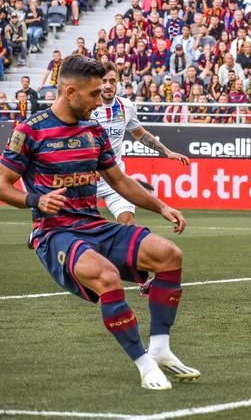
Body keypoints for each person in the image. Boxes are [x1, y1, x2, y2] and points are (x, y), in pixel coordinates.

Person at [0, 55, 199, 389]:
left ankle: (161, 349)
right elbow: (3, 184)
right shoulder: (30, 131)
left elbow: (119, 181)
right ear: (71, 92)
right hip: (55, 233)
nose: (100, 100)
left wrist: (161, 207)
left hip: (94, 225)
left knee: (169, 255)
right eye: (94, 94)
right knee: (107, 277)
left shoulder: (93, 130)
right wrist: (35, 200)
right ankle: (145, 365)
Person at [92, 62, 190, 225]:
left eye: (112, 81)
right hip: (87, 180)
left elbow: (141, 134)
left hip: (116, 179)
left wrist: (167, 152)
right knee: (75, 227)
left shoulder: (126, 106)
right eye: (104, 81)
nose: (108, 86)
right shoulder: (87, 107)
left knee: (128, 223)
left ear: (118, 82)